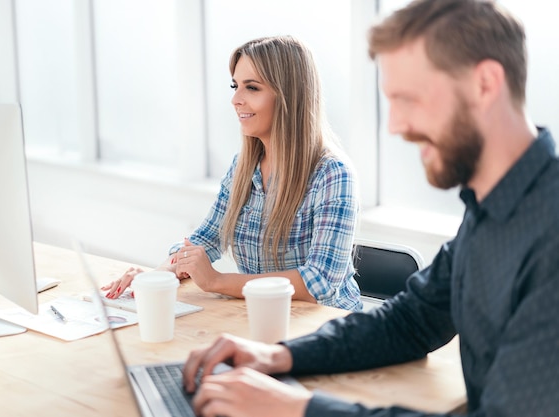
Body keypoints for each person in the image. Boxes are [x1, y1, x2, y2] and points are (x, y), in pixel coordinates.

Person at [181, 1, 559, 416]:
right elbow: (409, 322)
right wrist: (278, 357)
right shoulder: (492, 210)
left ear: (485, 84)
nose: (395, 125)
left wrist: (298, 408)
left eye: (409, 98)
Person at [102, 35, 362, 311]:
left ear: (289, 95)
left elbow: (318, 283)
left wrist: (217, 281)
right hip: (263, 316)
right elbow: (203, 241)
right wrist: (156, 277)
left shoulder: (333, 174)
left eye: (252, 88)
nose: (235, 99)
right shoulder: (244, 166)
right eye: (235, 86)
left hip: (326, 327)